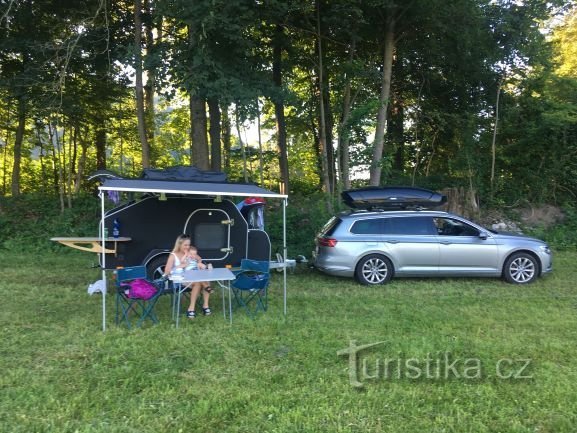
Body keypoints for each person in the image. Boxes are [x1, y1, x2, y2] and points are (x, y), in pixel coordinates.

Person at [164, 234, 212, 319]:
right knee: (198, 283)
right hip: (181, 279)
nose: (187, 247)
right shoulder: (173, 255)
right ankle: (191, 308)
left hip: (193, 277)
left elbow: (199, 258)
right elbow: (167, 271)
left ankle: (206, 305)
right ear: (179, 244)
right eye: (185, 245)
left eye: (188, 245)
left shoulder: (190, 253)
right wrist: (180, 266)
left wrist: (198, 263)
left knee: (205, 280)